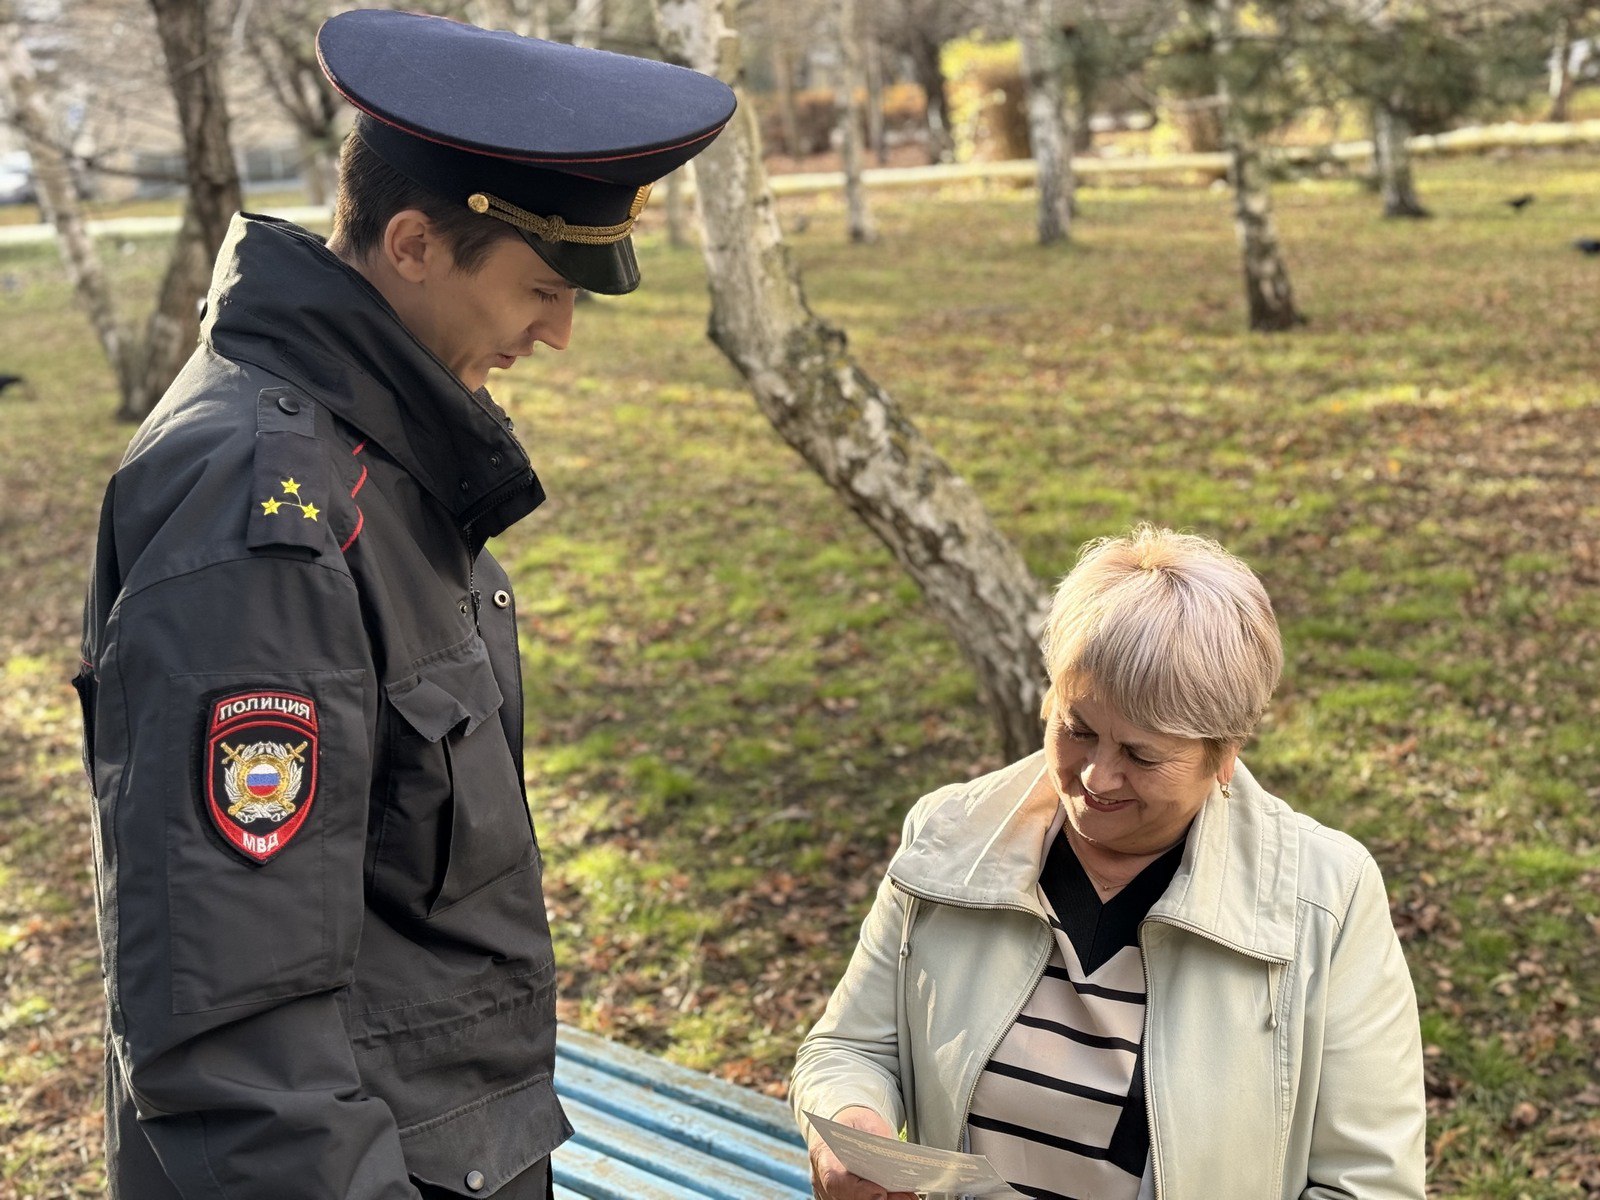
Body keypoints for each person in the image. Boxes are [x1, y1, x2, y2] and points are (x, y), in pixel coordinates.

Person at [71, 11, 734, 1199]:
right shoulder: (260, 510)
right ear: (417, 243)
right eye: (541, 287)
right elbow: (239, 1045)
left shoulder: (371, 452)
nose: (560, 332)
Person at [791, 525, 1426, 1200]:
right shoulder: (948, 840)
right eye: (1077, 728)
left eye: (1143, 755)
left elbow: (1368, 1184)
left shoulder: (1326, 899)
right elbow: (849, 1049)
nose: (1097, 776)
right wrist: (851, 1127)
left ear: (1225, 755)